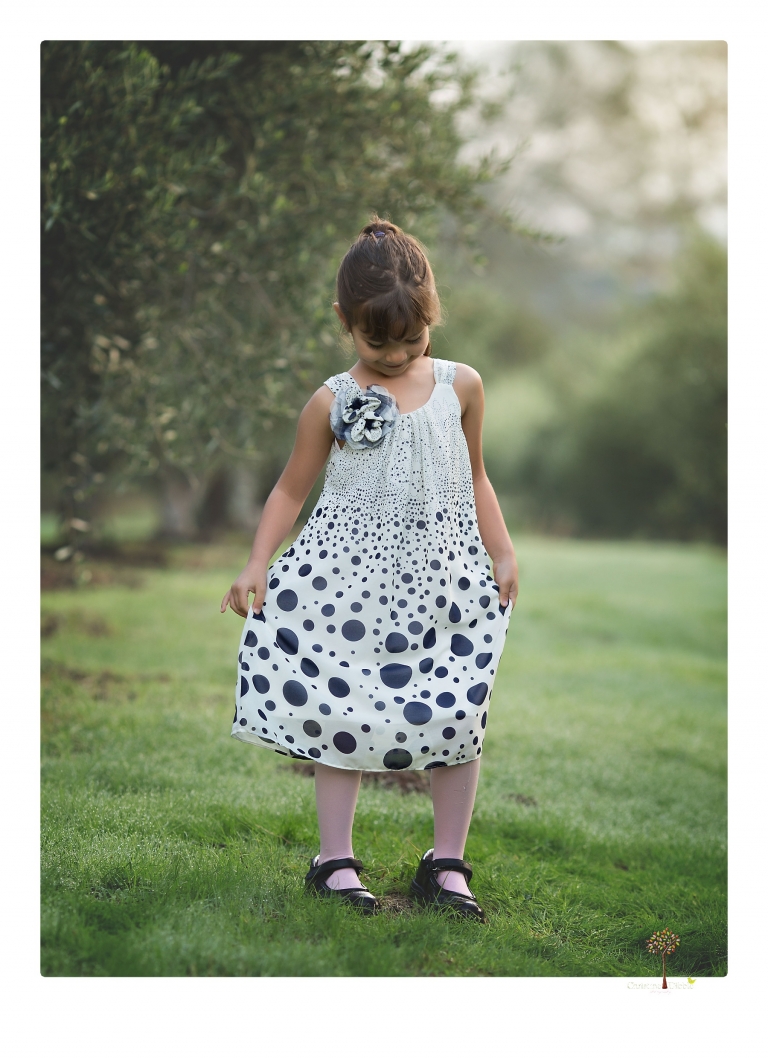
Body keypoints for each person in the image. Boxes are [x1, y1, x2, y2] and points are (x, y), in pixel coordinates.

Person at [221, 217, 518, 920]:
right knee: (342, 714)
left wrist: (501, 550)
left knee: (457, 714)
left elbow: (476, 477)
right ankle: (334, 861)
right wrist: (258, 561)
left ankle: (446, 863)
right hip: (347, 585)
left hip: (443, 582)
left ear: (432, 314)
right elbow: (292, 488)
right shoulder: (331, 400)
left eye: (410, 338)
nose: (394, 353)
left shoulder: (463, 386)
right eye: (374, 339)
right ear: (344, 321)